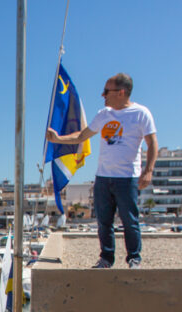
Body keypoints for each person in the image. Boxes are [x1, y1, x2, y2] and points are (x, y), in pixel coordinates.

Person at [46, 72, 157, 269]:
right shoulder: (104, 114)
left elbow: (152, 143)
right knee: (104, 222)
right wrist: (58, 139)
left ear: (121, 92)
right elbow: (82, 135)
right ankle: (106, 258)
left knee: (130, 221)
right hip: (103, 177)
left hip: (127, 177)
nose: (102, 95)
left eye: (107, 91)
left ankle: (134, 258)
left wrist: (148, 170)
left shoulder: (141, 114)